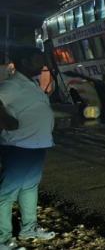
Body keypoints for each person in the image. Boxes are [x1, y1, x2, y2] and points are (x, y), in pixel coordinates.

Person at [0, 46, 56, 250]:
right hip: (19, 147)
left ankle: (28, 229)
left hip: (36, 145)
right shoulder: (13, 85)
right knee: (6, 194)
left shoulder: (29, 83)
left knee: (29, 189)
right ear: (23, 62)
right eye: (37, 59)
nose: (41, 63)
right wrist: (6, 120)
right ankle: (2, 240)